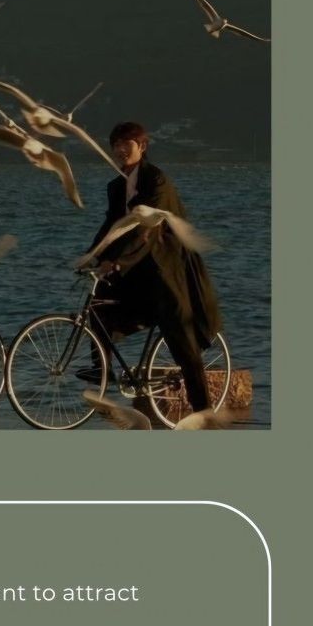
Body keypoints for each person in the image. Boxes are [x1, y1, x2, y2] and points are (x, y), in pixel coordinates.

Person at [81, 121, 221, 411]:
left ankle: (204, 413)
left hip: (166, 269)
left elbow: (147, 231)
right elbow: (112, 225)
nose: (120, 150)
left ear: (142, 147)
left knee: (184, 348)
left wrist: (117, 261)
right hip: (137, 271)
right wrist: (92, 257)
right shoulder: (117, 185)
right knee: (98, 308)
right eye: (116, 144)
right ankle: (102, 371)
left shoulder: (157, 181)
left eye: (126, 144)